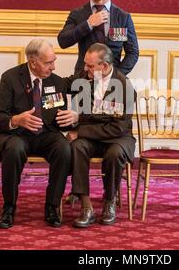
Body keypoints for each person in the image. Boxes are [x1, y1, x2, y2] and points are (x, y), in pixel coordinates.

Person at [0, 38, 77, 229]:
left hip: (46, 134)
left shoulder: (57, 82)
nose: (53, 66)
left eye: (54, 61)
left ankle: (52, 206)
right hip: (17, 134)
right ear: (33, 62)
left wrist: (71, 120)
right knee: (14, 150)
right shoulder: (10, 78)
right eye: (48, 62)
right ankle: (9, 207)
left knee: (64, 149)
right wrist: (17, 119)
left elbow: (59, 121)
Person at [63, 43, 136, 228]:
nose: (85, 69)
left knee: (114, 154)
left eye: (90, 65)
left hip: (117, 137)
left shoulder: (124, 86)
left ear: (104, 66)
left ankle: (109, 201)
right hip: (91, 136)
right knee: (77, 147)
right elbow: (63, 83)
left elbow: (117, 128)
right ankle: (86, 206)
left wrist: (79, 130)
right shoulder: (84, 76)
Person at [57, 0, 139, 76]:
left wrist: (116, 75)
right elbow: (63, 41)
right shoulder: (78, 14)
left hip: (113, 81)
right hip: (83, 78)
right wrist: (88, 24)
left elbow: (132, 52)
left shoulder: (123, 17)